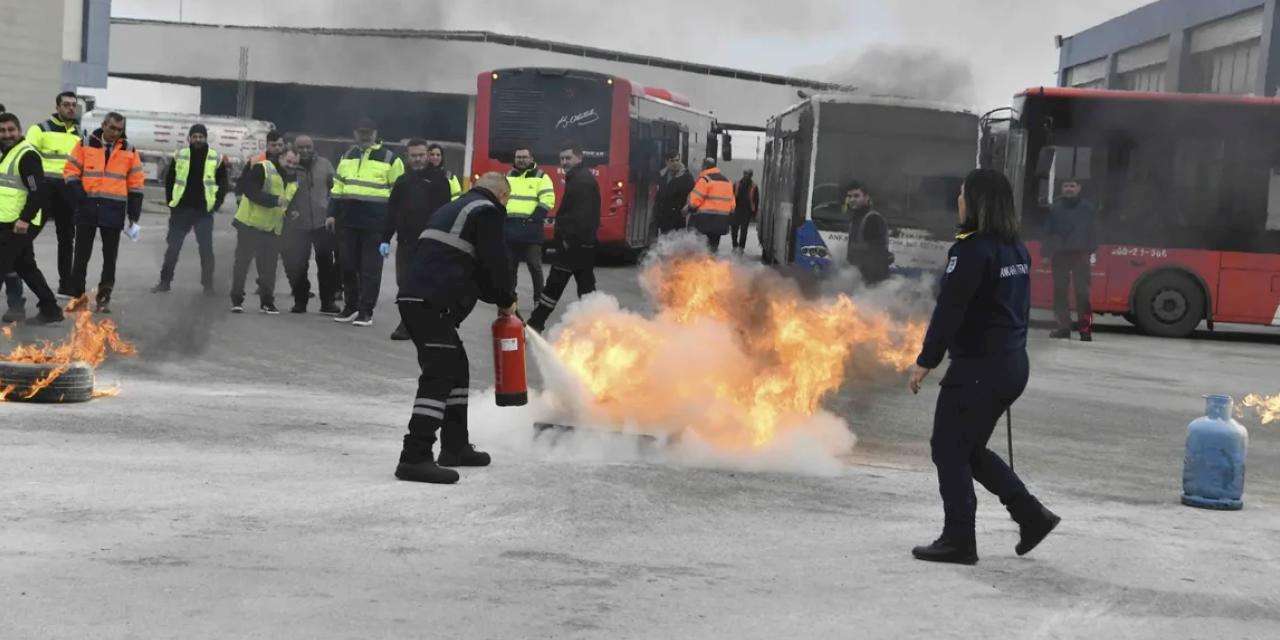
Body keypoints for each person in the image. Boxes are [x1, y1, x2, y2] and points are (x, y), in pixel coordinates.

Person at [907, 168, 1059, 566]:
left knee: (947, 449)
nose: (958, 202)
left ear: (977, 203)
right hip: (1010, 364)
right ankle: (1031, 516)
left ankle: (959, 539)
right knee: (969, 450)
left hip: (979, 369)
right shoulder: (1016, 249)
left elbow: (950, 310)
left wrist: (927, 359)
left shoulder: (971, 250)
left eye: (962, 195)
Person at [394, 172, 517, 484]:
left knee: (457, 368)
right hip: (431, 302)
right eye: (508, 200)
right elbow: (495, 263)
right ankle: (415, 456)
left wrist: (498, 297)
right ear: (502, 195)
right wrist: (506, 299)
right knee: (440, 373)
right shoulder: (486, 211)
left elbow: (472, 269)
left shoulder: (455, 207)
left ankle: (455, 447)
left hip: (419, 299)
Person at [64, 111, 145, 314]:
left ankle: (104, 298)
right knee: (81, 256)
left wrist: (134, 214)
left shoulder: (129, 150)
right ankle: (78, 297)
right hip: (87, 208)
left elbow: (135, 184)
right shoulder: (84, 144)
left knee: (110, 258)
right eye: (112, 128)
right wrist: (80, 198)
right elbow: (70, 172)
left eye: (119, 129)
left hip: (113, 210)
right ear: (103, 125)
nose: (115, 132)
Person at [328, 117, 404, 328]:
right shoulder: (347, 156)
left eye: (368, 132)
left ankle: (365, 311)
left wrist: (393, 223)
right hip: (348, 221)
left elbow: (399, 193)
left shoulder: (390, 158)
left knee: (370, 269)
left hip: (376, 224)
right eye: (361, 132)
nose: (364, 136)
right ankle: (351, 307)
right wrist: (331, 213)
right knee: (348, 265)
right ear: (354, 134)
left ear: (375, 133)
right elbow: (337, 188)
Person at [527, 142, 599, 333]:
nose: (565, 162)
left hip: (573, 246)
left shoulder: (581, 181)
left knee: (554, 286)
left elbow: (581, 216)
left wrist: (567, 240)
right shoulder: (579, 178)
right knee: (585, 289)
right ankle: (594, 326)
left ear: (579, 158)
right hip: (582, 245)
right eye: (562, 158)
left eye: (568, 158)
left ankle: (535, 324)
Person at [383, 139, 452, 340]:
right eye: (414, 156)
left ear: (427, 155)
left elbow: (444, 213)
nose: (418, 159)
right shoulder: (402, 181)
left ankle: (412, 324)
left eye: (421, 155)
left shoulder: (439, 181)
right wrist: (385, 239)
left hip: (429, 243)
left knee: (422, 284)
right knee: (403, 283)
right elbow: (391, 211)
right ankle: (412, 321)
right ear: (408, 156)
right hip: (405, 243)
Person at [0, 112, 64, 325]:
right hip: (7, 221)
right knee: (26, 267)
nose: (7, 134)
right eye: (2, 130)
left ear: (20, 131)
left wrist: (24, 220)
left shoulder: (26, 155)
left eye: (11, 130)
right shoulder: (6, 153)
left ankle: (49, 307)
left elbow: (39, 193)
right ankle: (50, 308)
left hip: (18, 224)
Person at [153, 124, 229, 295]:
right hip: (182, 210)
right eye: (194, 136)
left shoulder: (215, 158)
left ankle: (208, 286)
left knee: (206, 250)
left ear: (205, 138)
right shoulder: (181, 155)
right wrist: (171, 204)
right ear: (189, 138)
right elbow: (170, 181)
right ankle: (165, 282)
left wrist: (216, 204)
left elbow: (224, 184)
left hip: (204, 212)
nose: (197, 139)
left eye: (200, 136)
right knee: (173, 248)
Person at [25, 91, 84, 296]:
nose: (70, 108)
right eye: (66, 104)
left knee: (67, 240)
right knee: (27, 234)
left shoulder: (80, 134)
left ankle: (65, 285)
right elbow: (27, 158)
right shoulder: (39, 129)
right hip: (45, 190)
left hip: (68, 191)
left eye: (73, 105)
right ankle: (15, 272)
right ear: (57, 106)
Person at [229, 134, 295, 314]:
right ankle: (237, 300)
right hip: (249, 224)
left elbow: (288, 202)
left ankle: (267, 302)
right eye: (288, 161)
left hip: (272, 227)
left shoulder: (292, 177)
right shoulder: (262, 167)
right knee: (243, 263)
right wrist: (274, 200)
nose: (291, 165)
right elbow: (250, 191)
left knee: (269, 267)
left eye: (293, 163)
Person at [283, 134, 340, 314]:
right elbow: (283, 190)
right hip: (298, 225)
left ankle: (327, 303)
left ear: (313, 147)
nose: (305, 150)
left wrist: (333, 213)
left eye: (308, 147)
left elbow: (336, 189)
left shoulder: (325, 164)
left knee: (325, 265)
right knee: (299, 265)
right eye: (301, 147)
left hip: (322, 224)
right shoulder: (289, 166)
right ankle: (301, 301)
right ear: (295, 148)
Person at [1044, 178, 1097, 342]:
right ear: (1062, 188)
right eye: (1066, 186)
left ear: (1079, 188)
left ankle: (1085, 330)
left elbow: (1094, 231)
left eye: (1072, 186)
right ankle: (1063, 328)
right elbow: (1048, 231)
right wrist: (1046, 253)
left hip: (1081, 255)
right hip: (1060, 255)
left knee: (1082, 293)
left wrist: (1092, 251)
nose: (1069, 189)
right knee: (1060, 292)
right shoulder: (1055, 208)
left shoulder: (1088, 208)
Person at [505, 145, 554, 311]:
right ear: (514, 159)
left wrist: (534, 218)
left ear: (531, 159)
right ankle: (510, 300)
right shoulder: (507, 176)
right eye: (518, 157)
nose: (521, 160)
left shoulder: (542, 177)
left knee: (535, 266)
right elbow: (501, 198)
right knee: (510, 269)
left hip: (531, 231)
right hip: (510, 231)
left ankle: (538, 299)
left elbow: (548, 198)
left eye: (525, 157)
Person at [843, 181, 892, 285]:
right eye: (849, 196)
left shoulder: (873, 219)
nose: (852, 200)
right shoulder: (855, 219)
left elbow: (877, 255)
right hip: (859, 278)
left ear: (866, 197)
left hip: (872, 281)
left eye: (856, 196)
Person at [684, 157, 735, 252]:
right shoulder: (727, 182)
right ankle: (711, 263)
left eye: (702, 166)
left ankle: (701, 264)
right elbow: (732, 205)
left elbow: (694, 202)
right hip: (721, 222)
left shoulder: (705, 180)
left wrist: (688, 209)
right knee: (713, 248)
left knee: (701, 248)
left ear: (705, 166)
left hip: (704, 221)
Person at [655, 153, 694, 236]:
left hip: (679, 218)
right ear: (667, 162)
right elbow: (658, 196)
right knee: (665, 242)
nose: (675, 163)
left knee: (676, 244)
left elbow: (693, 194)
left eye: (677, 160)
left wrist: (687, 206)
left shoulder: (687, 177)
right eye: (672, 161)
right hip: (664, 218)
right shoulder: (661, 176)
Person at [730, 169, 759, 254]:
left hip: (747, 210)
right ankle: (735, 245)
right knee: (734, 228)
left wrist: (754, 213)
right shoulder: (737, 184)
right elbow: (731, 196)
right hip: (737, 209)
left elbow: (756, 200)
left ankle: (741, 247)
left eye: (748, 174)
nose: (746, 175)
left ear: (751, 175)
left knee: (744, 230)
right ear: (743, 174)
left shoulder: (754, 186)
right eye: (745, 174)